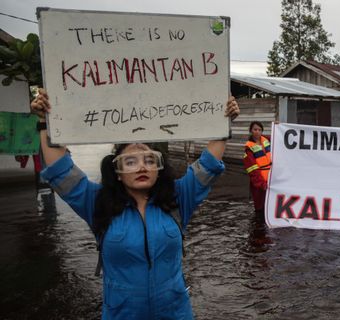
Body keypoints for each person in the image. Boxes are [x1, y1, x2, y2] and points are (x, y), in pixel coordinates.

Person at [31, 89, 239, 320]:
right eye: (130, 161)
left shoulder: (179, 198)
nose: (141, 167)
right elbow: (61, 172)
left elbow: (209, 164)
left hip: (175, 313)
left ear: (159, 169)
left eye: (150, 160)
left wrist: (224, 121)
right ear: (117, 172)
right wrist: (44, 121)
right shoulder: (97, 202)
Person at [243, 121, 271, 214]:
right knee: (260, 208)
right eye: (255, 129)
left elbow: (279, 136)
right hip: (259, 184)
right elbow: (252, 170)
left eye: (259, 130)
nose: (257, 132)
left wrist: (279, 126)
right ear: (251, 131)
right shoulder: (248, 148)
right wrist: (261, 184)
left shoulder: (266, 140)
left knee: (270, 207)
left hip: (271, 180)